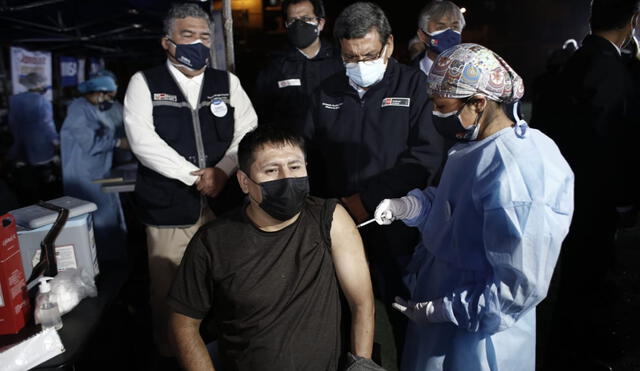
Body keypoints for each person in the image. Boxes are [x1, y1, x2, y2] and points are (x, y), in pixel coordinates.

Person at [373, 43, 574, 371]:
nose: (436, 115)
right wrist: (412, 207)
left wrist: (442, 310)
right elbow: (456, 213)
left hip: (484, 333)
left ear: (479, 102)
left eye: (442, 106)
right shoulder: (476, 146)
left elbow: (515, 290)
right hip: (447, 302)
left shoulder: (518, 172)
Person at [168, 126, 381, 371]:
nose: (286, 178)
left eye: (294, 166)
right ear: (244, 182)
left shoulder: (330, 219)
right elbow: (183, 324)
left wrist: (361, 364)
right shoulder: (212, 241)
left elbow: (362, 303)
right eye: (271, 170)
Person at [303, 1, 446, 362]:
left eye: (368, 55)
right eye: (351, 57)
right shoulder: (326, 91)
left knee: (406, 315)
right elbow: (309, 155)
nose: (360, 65)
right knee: (347, 316)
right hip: (339, 228)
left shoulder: (417, 88)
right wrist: (325, 209)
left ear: (389, 45)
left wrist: (365, 199)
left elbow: (424, 159)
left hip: (399, 228)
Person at [123, 3, 257, 357]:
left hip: (223, 204)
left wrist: (223, 171)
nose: (198, 43)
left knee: (227, 284)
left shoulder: (227, 83)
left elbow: (247, 130)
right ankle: (174, 356)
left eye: (204, 36)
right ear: (167, 41)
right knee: (169, 290)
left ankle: (222, 352)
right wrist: (193, 176)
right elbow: (142, 140)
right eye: (188, 35)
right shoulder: (145, 83)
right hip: (168, 207)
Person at [542, 1, 640, 369]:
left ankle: (568, 348)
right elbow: (621, 144)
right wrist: (626, 200)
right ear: (632, 21)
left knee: (572, 278)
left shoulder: (567, 64)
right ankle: (584, 353)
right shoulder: (616, 74)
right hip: (598, 196)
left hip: (562, 189)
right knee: (591, 277)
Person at [60, 75, 128, 262]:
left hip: (98, 170)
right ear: (98, 92)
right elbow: (89, 143)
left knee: (107, 213)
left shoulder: (92, 108)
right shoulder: (79, 110)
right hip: (84, 174)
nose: (108, 101)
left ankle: (114, 257)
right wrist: (117, 143)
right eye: (106, 96)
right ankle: (104, 263)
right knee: (97, 218)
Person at [253, 0, 343, 131]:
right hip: (291, 148)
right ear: (286, 25)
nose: (299, 25)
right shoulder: (275, 66)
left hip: (335, 145)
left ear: (320, 23)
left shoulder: (340, 60)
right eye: (292, 20)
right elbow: (263, 113)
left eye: (306, 18)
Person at [7, 72, 60, 205]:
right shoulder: (42, 101)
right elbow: (47, 125)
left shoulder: (14, 100)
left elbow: (12, 123)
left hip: (20, 148)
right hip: (41, 149)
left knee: (26, 185)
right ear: (39, 84)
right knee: (44, 185)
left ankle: (28, 207)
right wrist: (56, 142)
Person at [411, 1, 465, 76]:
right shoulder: (405, 78)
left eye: (455, 27)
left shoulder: (473, 72)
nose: (449, 33)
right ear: (422, 35)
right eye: (440, 27)